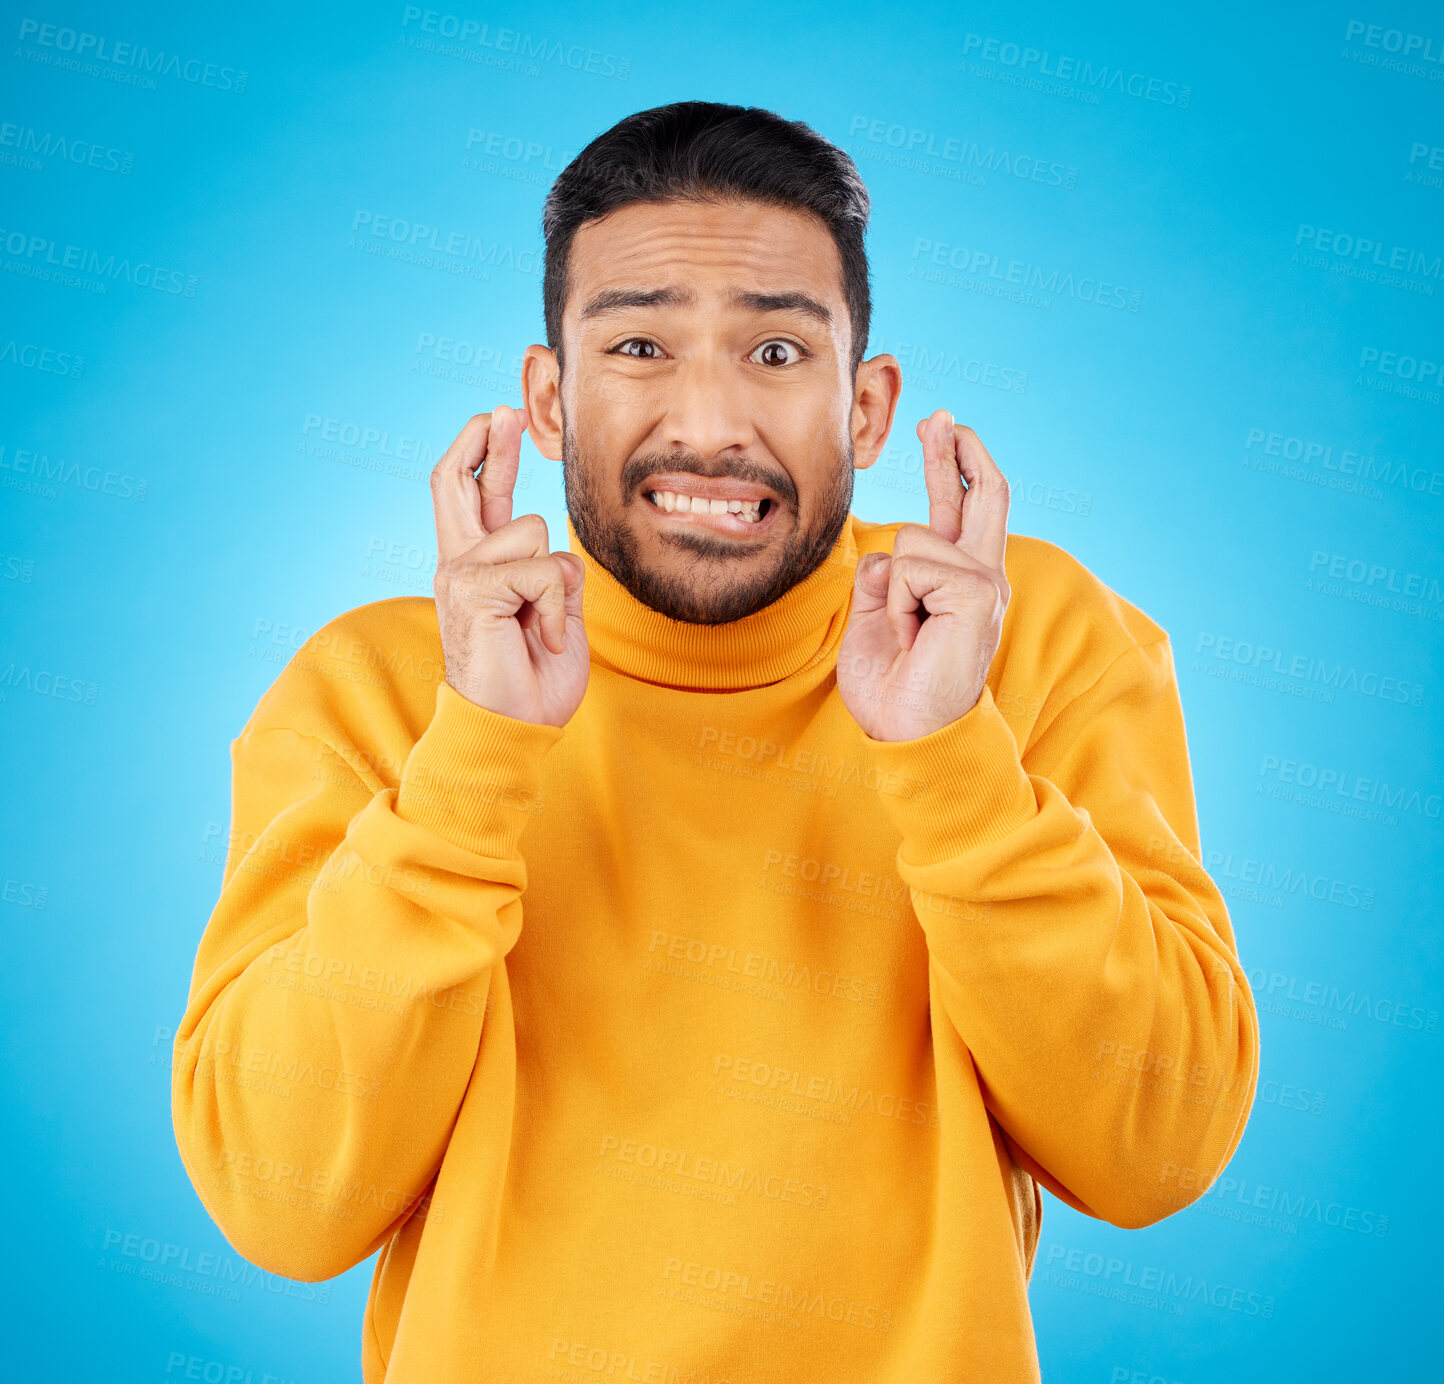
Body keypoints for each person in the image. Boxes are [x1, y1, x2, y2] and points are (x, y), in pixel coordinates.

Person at [171, 101, 1259, 1383]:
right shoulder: (385, 686)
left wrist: (955, 765)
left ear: (865, 408)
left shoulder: (1020, 640)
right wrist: (473, 762)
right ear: (549, 398)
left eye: (778, 353)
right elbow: (280, 1199)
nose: (710, 421)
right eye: (638, 343)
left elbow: (1159, 1146)